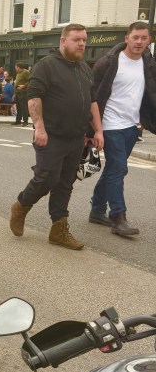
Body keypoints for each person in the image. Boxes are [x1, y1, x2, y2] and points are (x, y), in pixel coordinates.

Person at [9, 23, 104, 250]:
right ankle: (21, 206)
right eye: (76, 40)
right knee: (47, 178)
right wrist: (39, 127)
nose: (82, 44)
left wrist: (98, 130)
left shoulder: (84, 68)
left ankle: (58, 230)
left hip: (76, 137)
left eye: (84, 40)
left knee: (65, 183)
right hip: (51, 136)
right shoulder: (46, 66)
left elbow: (92, 101)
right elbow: (34, 97)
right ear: (63, 41)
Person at [89, 21, 156, 236]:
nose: (139, 42)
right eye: (135, 37)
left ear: (149, 40)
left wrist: (144, 121)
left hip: (132, 126)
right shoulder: (108, 62)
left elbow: (150, 93)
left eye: (143, 38)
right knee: (118, 169)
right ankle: (118, 216)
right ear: (127, 38)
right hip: (110, 125)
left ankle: (97, 209)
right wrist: (95, 129)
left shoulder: (149, 63)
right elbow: (92, 95)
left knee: (113, 169)